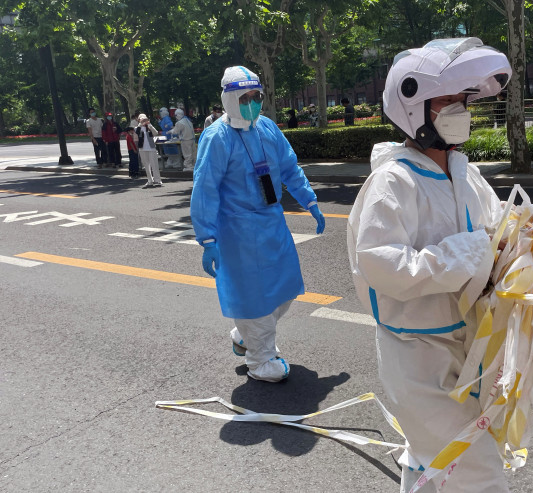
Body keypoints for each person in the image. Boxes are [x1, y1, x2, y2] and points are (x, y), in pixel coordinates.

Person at [347, 37, 512, 493]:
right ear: (412, 109)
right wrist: (468, 254)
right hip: (417, 354)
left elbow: (494, 229)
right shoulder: (393, 181)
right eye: (447, 100)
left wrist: (524, 238)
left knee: (433, 456)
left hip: (471, 342)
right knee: (477, 470)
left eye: (464, 100)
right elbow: (381, 264)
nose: (460, 110)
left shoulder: (465, 172)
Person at [190, 65, 326, 383]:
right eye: (244, 98)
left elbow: (289, 166)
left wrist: (309, 200)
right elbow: (205, 188)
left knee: (285, 288)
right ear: (229, 99)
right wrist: (207, 238)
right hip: (238, 230)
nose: (251, 103)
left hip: (272, 222)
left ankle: (245, 334)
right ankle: (260, 359)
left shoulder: (267, 127)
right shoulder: (217, 137)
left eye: (256, 97)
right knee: (256, 296)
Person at [135, 114, 163, 188]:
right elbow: (137, 133)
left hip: (151, 148)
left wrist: (149, 125)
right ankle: (150, 180)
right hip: (142, 149)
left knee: (154, 164)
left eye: (145, 119)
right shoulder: (138, 128)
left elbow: (155, 133)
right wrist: (140, 124)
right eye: (142, 119)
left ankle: (157, 180)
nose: (144, 121)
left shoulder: (149, 127)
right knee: (146, 165)